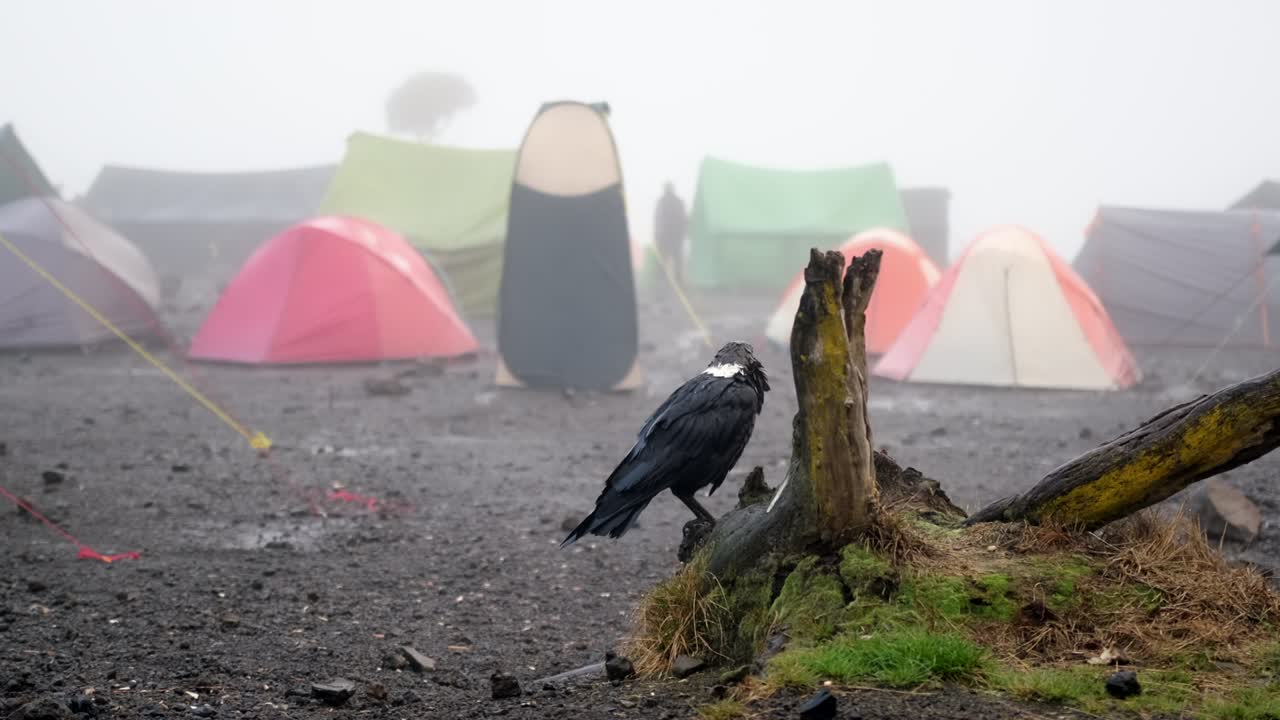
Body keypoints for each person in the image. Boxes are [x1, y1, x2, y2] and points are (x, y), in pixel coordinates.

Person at [654, 182, 688, 287]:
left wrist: (657, 234)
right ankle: (677, 282)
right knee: (676, 260)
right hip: (674, 236)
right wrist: (684, 233)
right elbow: (684, 219)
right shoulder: (678, 202)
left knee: (665, 261)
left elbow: (658, 219)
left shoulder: (662, 202)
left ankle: (663, 283)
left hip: (666, 236)